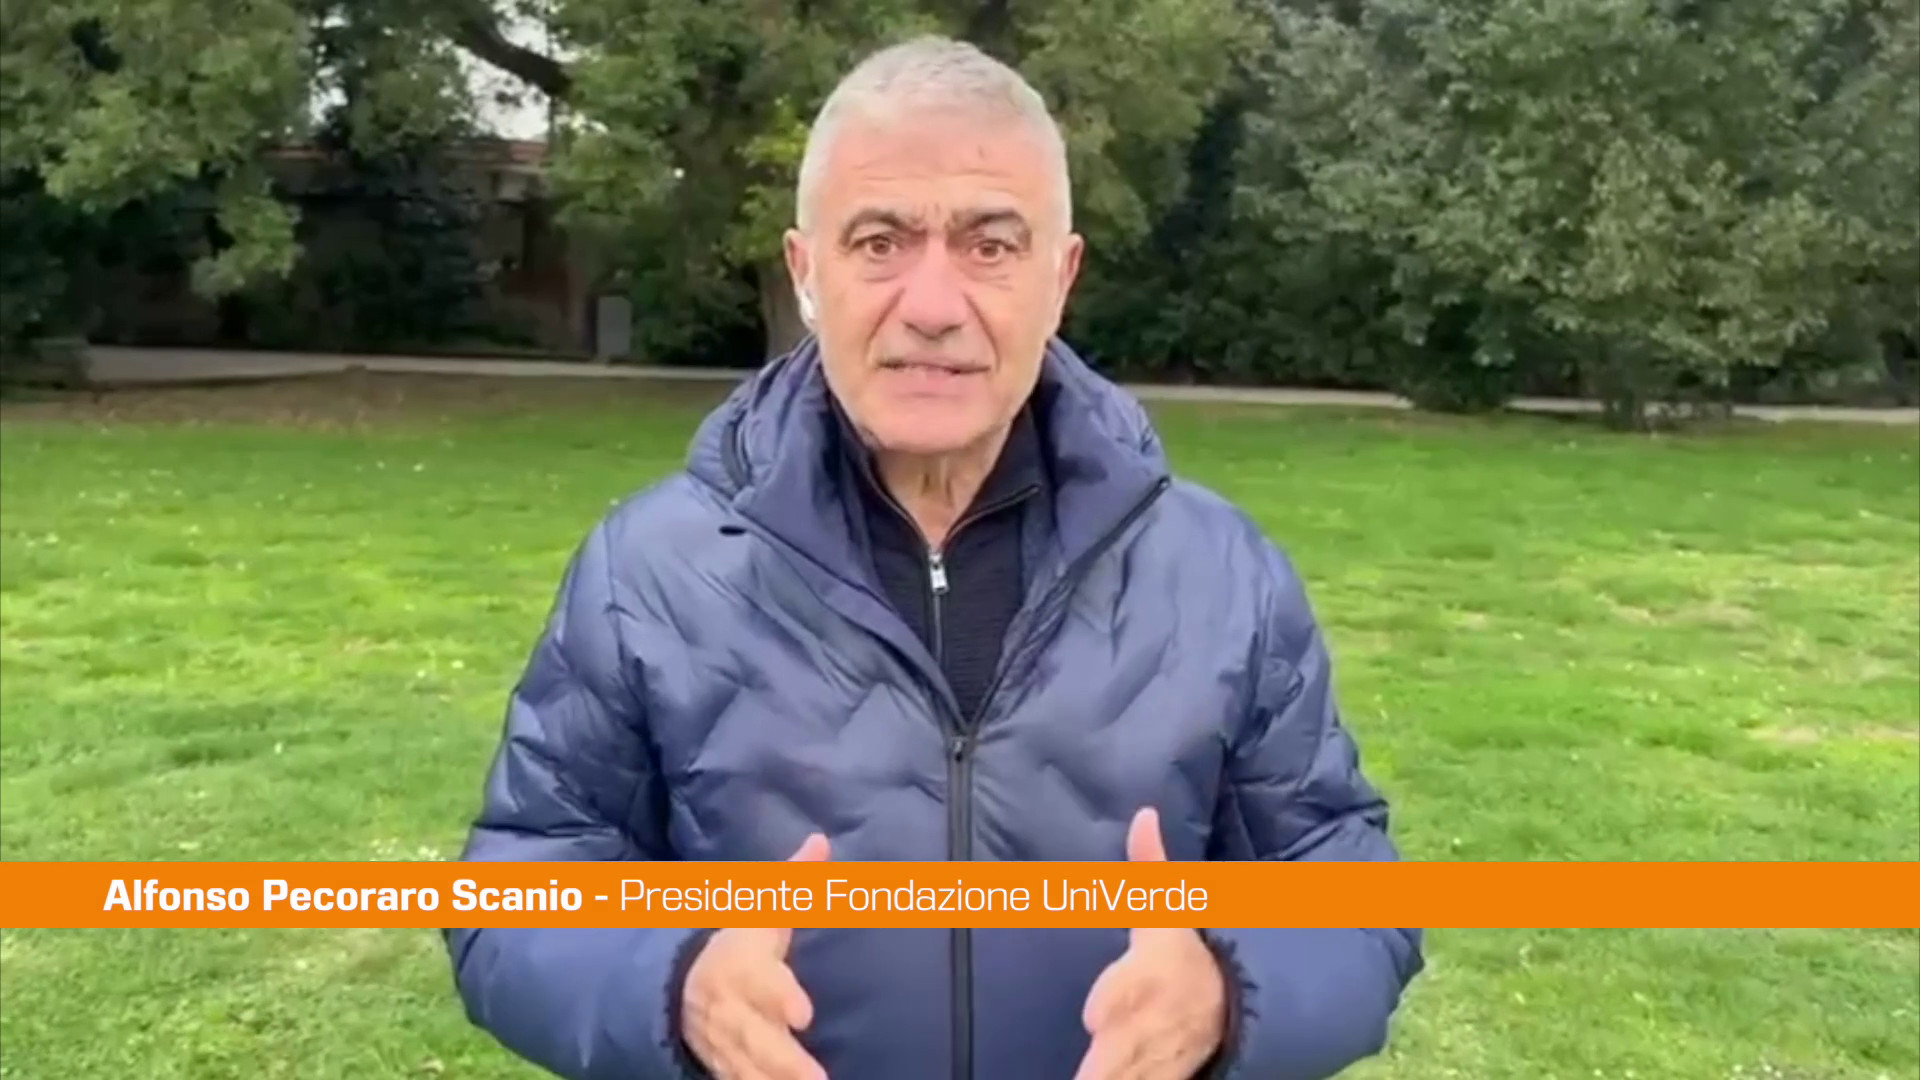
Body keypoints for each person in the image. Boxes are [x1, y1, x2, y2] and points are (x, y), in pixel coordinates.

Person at [444, 34, 1422, 1080]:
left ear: (1061, 277)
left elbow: (1350, 879)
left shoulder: (1222, 575)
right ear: (806, 272)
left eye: (991, 246)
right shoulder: (647, 573)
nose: (934, 306)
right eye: (880, 241)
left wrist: (1231, 988)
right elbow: (517, 882)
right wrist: (669, 982)